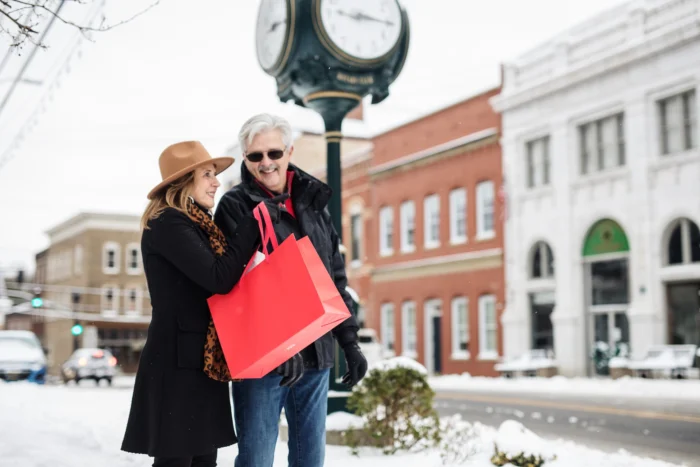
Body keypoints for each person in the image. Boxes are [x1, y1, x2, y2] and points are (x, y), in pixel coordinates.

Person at [120, 141, 289, 467]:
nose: (215, 182)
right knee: (177, 461)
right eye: (208, 175)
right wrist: (252, 225)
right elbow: (218, 277)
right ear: (182, 181)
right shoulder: (168, 223)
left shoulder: (198, 224)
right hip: (176, 364)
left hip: (202, 360)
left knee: (203, 460)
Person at [214, 114, 368, 467]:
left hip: (314, 355)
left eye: (273, 152)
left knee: (309, 460)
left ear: (289, 151)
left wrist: (349, 343)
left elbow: (333, 278)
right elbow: (239, 286)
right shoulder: (236, 206)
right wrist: (280, 343)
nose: (266, 162)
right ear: (245, 159)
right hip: (263, 360)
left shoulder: (313, 203)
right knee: (256, 460)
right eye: (255, 156)